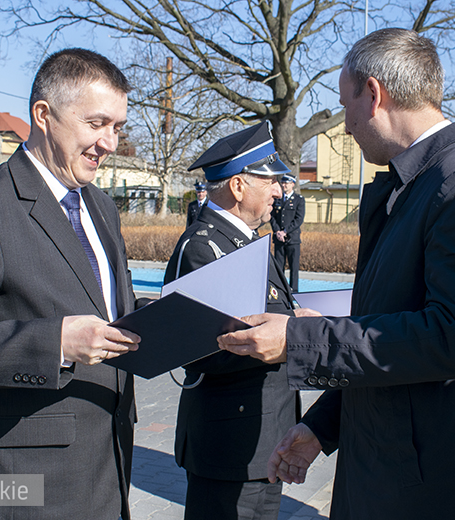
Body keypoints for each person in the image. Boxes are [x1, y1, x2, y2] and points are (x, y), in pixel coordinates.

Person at [217, 28, 455, 519]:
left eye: (346, 105)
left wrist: (301, 339)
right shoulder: (422, 183)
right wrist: (324, 426)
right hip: (395, 473)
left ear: (374, 93)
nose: (345, 125)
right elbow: (388, 338)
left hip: (435, 489)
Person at [0, 48, 143, 520]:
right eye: (97, 124)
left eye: (118, 127)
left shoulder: (100, 207)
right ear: (44, 116)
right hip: (15, 484)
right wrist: (55, 342)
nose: (110, 143)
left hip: (102, 471)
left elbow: (102, 306)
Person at [164, 122, 303, 520]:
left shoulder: (245, 241)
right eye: (270, 181)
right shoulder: (203, 246)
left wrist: (294, 321)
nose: (279, 191)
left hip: (264, 437)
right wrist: (290, 335)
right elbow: (197, 348)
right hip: (227, 443)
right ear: (239, 187)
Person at [270, 174, 305, 291]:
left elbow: (299, 219)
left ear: (293, 184)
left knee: (294, 267)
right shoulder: (277, 200)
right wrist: (277, 232)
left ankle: (294, 291)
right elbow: (272, 216)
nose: (284, 185)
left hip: (292, 239)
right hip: (279, 239)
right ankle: (280, 291)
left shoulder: (299, 200)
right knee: (279, 267)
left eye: (287, 183)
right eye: (283, 183)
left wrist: (285, 231)